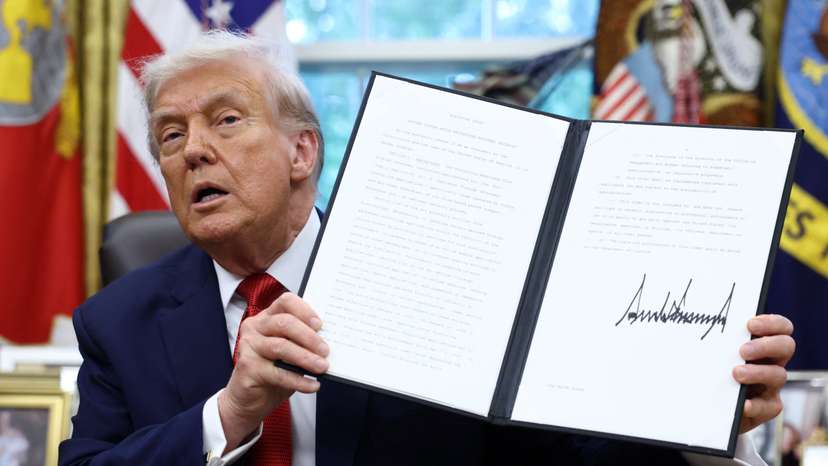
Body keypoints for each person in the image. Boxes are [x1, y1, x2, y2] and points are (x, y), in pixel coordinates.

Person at [59, 30, 795, 466]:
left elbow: (565, 455)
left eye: (225, 121)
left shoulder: (444, 270)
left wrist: (704, 420)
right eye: (171, 136)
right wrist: (231, 412)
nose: (194, 152)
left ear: (302, 152)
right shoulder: (118, 320)